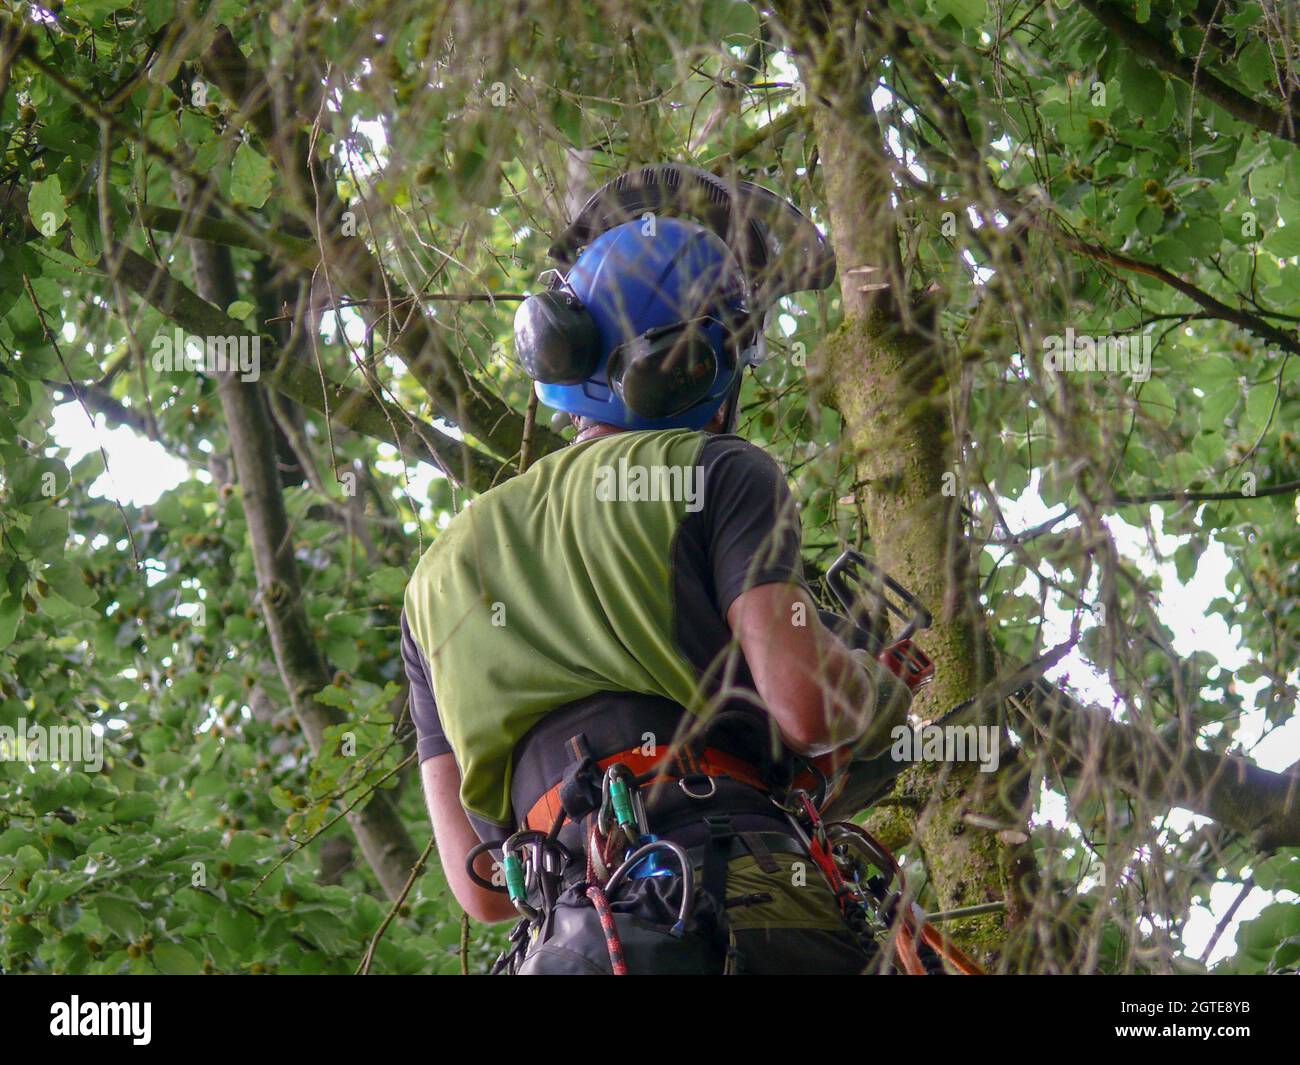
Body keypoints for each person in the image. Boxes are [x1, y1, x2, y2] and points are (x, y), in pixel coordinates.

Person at [401, 165, 913, 974]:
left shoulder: (432, 583)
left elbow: (484, 890)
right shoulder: (719, 470)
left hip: (565, 940)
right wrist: (877, 689)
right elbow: (810, 705)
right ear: (698, 368)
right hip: (737, 894)